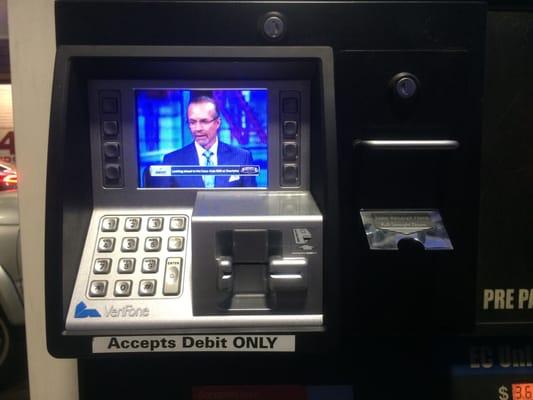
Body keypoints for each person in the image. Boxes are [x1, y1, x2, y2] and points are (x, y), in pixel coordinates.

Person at [155, 96, 257, 188]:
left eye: (204, 121)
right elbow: (168, 206)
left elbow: (252, 203)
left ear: (217, 123)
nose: (198, 128)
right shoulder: (172, 161)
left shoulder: (242, 158)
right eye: (192, 122)